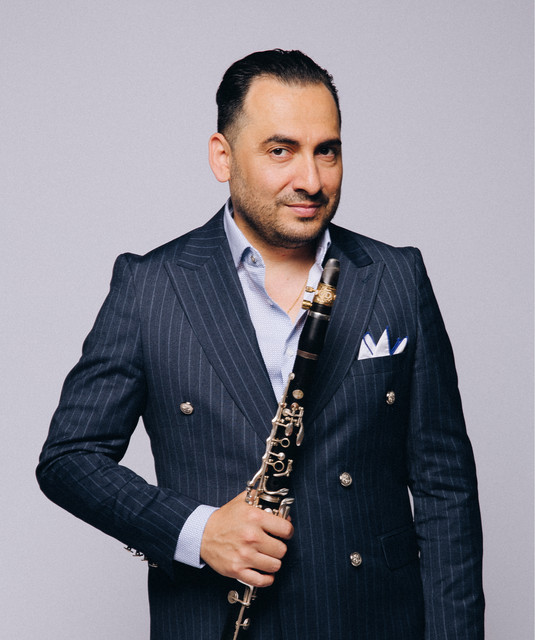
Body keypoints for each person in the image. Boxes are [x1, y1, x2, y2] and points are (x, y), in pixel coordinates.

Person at [37, 49, 484, 639]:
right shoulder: (150, 286)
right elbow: (69, 459)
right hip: (216, 619)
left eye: (327, 151)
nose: (311, 180)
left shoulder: (397, 277)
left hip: (372, 620)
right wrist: (197, 532)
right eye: (281, 150)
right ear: (222, 157)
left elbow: (445, 489)